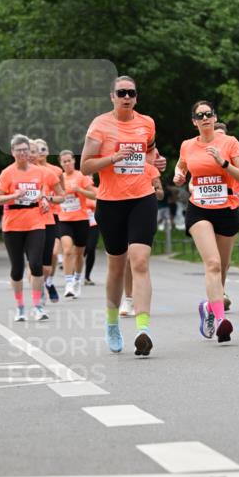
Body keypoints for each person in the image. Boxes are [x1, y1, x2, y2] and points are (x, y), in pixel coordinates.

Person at [80, 75, 166, 356]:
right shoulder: (100, 125)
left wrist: (158, 163)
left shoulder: (147, 123)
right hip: (110, 202)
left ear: (136, 97)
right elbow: (85, 167)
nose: (126, 97)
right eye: (121, 93)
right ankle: (112, 322)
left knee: (140, 261)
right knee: (117, 266)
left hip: (142, 199)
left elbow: (151, 153)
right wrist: (112, 159)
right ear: (112, 97)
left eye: (131, 93)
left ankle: (143, 329)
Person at [173, 101, 239, 343]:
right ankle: (219, 321)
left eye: (209, 114)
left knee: (223, 268)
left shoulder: (230, 142)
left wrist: (223, 163)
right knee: (213, 264)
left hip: (227, 209)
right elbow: (181, 166)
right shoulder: (187, 145)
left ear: (215, 118)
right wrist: (178, 175)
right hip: (200, 210)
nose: (205, 118)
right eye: (200, 115)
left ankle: (208, 307)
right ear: (194, 121)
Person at [0, 135, 52, 321]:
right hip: (13, 225)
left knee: (35, 264)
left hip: (35, 222)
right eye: (18, 150)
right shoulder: (7, 173)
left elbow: (43, 194)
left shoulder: (39, 172)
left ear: (29, 151)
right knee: (17, 269)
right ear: (12, 152)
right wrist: (14, 195)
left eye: (25, 149)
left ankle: (38, 306)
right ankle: (20, 307)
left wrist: (44, 201)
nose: (23, 153)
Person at [214, 121, 239, 312]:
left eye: (223, 134)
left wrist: (237, 196)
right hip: (207, 209)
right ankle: (216, 294)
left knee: (223, 260)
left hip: (229, 209)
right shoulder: (204, 159)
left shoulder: (234, 161)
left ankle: (220, 290)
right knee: (212, 259)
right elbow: (192, 185)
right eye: (216, 134)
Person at [120, 163, 163, 317]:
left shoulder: (150, 169)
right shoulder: (120, 166)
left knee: (137, 259)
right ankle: (128, 298)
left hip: (142, 215)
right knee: (126, 259)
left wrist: (156, 190)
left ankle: (137, 301)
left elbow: (161, 194)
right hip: (122, 212)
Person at [57, 150, 97, 299]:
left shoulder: (81, 176)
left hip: (80, 219)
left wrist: (79, 190)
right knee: (67, 250)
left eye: (69, 160)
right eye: (64, 161)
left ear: (74, 161)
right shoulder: (58, 177)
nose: (67, 164)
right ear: (60, 163)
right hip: (64, 219)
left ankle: (78, 280)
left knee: (79, 253)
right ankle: (68, 283)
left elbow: (94, 194)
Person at [30, 139, 64, 302]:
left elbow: (62, 193)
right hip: (32, 218)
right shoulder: (26, 171)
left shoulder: (55, 171)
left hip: (53, 215)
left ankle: (48, 281)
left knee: (54, 253)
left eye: (44, 148)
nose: (41, 152)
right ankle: (39, 290)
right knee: (35, 259)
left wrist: (48, 198)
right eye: (37, 149)